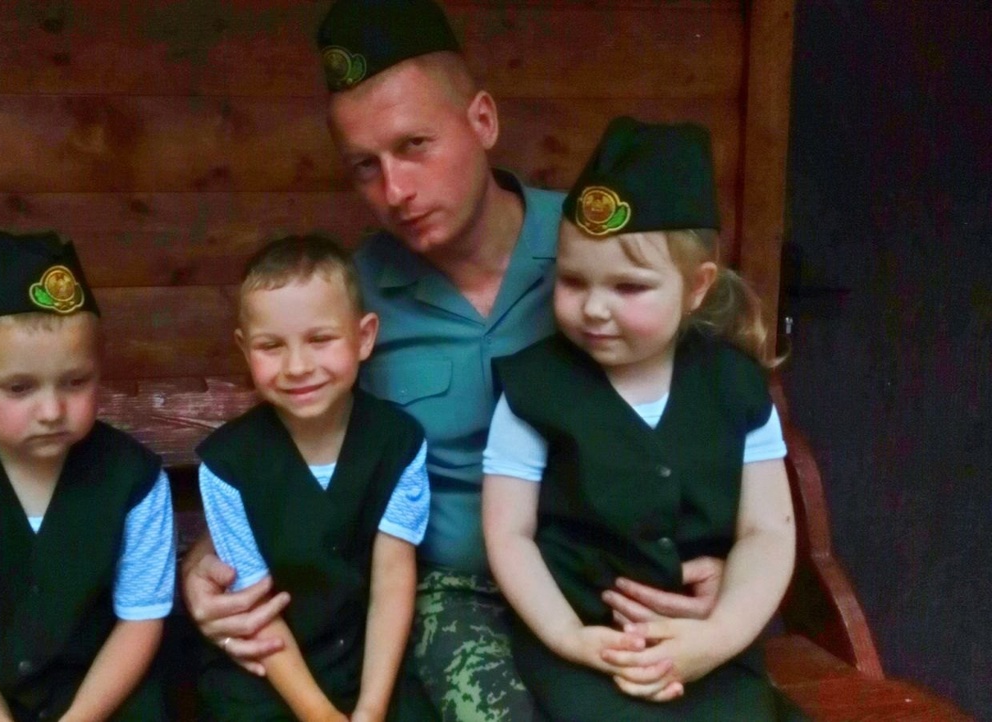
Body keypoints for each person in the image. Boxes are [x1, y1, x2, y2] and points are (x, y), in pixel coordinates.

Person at [182, 2, 728, 720]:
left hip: (604, 587)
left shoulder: (599, 253)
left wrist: (722, 555)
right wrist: (206, 561)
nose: (395, 191)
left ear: (483, 121)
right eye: (365, 167)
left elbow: (703, 408)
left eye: (414, 146)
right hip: (440, 605)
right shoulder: (346, 302)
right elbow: (285, 454)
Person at [482, 117, 804, 720]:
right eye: (573, 280)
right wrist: (567, 637)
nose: (594, 308)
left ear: (697, 287)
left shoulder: (735, 387)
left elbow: (768, 531)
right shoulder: (534, 390)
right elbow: (508, 533)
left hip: (708, 645)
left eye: (629, 288)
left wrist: (719, 637)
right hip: (585, 649)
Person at [0, 231, 174, 721]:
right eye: (20, 388)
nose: (51, 410)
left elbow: (140, 619)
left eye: (76, 382)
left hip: (101, 697)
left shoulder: (135, 481)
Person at [195, 235, 434, 721]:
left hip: (371, 667)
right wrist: (319, 715)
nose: (298, 367)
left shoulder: (399, 443)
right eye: (271, 346)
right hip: (268, 673)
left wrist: (370, 709)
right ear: (244, 349)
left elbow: (392, 579)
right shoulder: (226, 465)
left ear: (364, 337)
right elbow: (254, 606)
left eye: (320, 339)